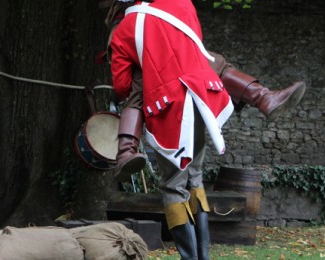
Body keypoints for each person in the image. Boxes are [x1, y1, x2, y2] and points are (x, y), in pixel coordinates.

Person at [99, 0, 306, 259]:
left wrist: (145, 69)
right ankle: (262, 96)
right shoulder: (181, 3)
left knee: (174, 186)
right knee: (194, 179)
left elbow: (121, 86)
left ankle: (126, 152)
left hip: (168, 108)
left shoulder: (124, 28)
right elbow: (194, 47)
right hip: (201, 96)